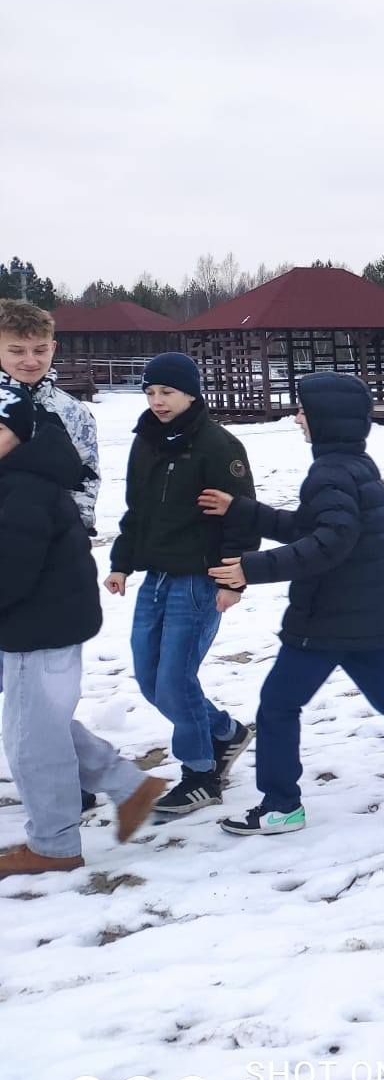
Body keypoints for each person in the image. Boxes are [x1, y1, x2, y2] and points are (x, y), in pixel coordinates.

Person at [198, 373, 384, 835]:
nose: (297, 418)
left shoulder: (329, 473)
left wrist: (252, 568)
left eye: (303, 411)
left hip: (328, 618)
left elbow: (328, 544)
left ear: (326, 418)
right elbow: (312, 529)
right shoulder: (353, 466)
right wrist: (243, 509)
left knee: (277, 706)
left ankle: (281, 805)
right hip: (367, 612)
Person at [0, 385, 169, 877]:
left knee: (33, 742)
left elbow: (11, 571)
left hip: (39, 628)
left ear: (19, 431)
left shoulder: (25, 487)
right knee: (40, 723)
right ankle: (128, 787)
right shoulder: (19, 473)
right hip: (37, 623)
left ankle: (54, 847)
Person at [105, 352, 259, 817]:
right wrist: (121, 563)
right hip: (155, 576)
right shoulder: (147, 441)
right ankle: (226, 732)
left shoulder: (218, 445)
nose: (157, 401)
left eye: (167, 392)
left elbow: (243, 518)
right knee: (151, 680)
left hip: (200, 579)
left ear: (190, 393)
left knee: (174, 680)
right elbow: (137, 510)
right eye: (150, 392)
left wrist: (234, 580)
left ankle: (201, 774)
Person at [0, 299, 99, 532]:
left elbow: (86, 476)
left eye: (40, 350)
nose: (31, 361)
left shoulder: (74, 412)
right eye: (17, 351)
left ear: (53, 347)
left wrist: (75, 528)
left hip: (53, 539)